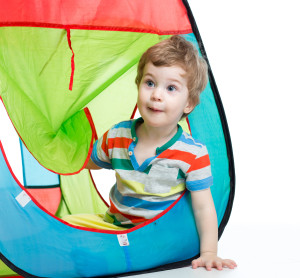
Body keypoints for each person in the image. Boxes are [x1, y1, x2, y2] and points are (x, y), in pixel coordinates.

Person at [64, 35, 237, 271]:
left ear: (189, 104)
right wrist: (64, 152)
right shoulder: (118, 135)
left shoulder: (192, 153)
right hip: (116, 227)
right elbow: (89, 162)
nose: (156, 95)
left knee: (96, 256)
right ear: (138, 85)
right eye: (150, 83)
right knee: (63, 230)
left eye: (171, 88)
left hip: (161, 237)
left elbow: (203, 206)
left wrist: (208, 252)